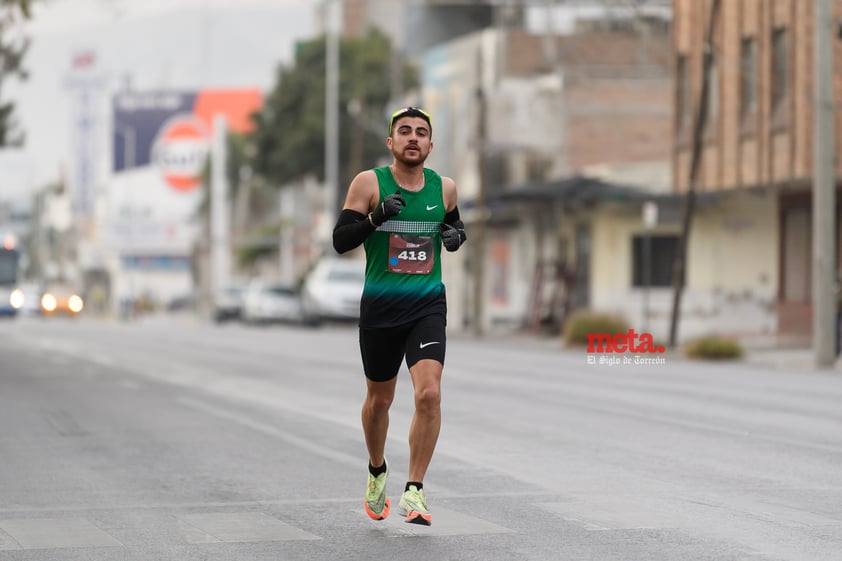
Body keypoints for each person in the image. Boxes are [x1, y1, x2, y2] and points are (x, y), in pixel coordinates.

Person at [332, 106, 467, 526]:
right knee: (380, 401)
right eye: (404, 131)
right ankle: (377, 469)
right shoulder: (370, 183)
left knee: (429, 394)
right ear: (390, 143)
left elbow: (457, 231)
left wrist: (456, 236)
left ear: (430, 144)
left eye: (421, 132)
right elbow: (340, 240)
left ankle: (415, 490)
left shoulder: (444, 189)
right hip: (381, 308)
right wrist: (376, 217)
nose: (413, 138)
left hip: (427, 305)